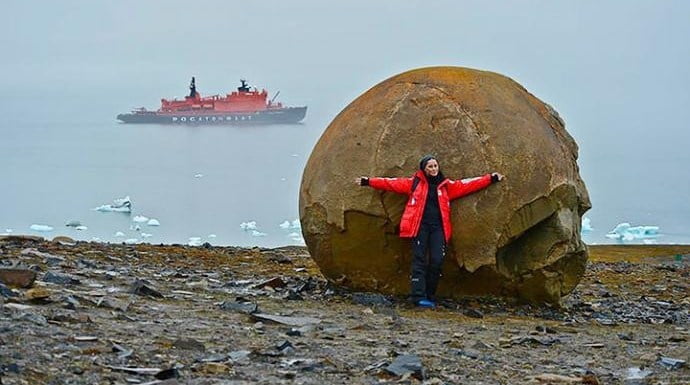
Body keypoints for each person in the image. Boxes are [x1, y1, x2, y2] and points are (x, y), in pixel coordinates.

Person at [355, 155, 504, 308]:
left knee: (437, 260)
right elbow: (391, 183)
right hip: (420, 227)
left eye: (435, 166)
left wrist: (490, 178)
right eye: (430, 166)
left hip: (438, 228)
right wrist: (368, 181)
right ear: (424, 169)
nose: (433, 169)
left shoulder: (446, 186)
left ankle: (430, 295)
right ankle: (418, 297)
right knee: (419, 260)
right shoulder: (414, 184)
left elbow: (468, 184)